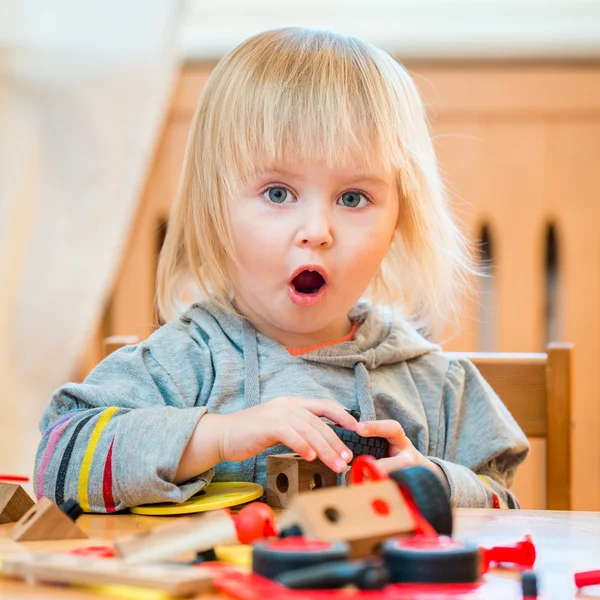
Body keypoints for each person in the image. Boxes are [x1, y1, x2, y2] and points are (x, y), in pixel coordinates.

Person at [34, 27, 528, 513]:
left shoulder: (437, 386)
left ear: (400, 218)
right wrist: (220, 436)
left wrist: (435, 484)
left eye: (353, 198)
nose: (317, 230)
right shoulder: (181, 365)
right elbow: (56, 465)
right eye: (278, 193)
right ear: (214, 208)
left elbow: (504, 506)